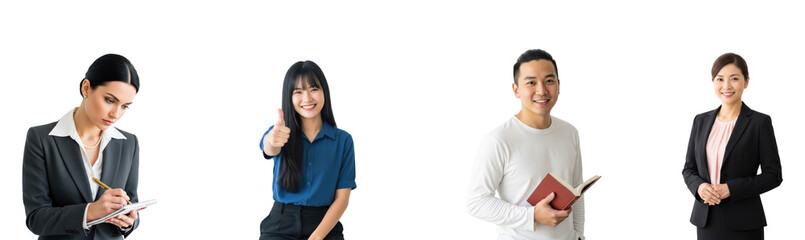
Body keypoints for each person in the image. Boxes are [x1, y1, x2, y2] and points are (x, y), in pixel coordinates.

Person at [467, 49, 585, 239]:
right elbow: (477, 202)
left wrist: (579, 235)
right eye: (531, 82)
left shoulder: (569, 132)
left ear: (559, 85)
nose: (542, 90)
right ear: (516, 90)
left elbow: (577, 191)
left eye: (549, 81)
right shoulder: (499, 140)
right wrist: (531, 216)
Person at [22, 54, 143, 240]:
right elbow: (36, 219)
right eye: (110, 100)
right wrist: (90, 212)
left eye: (125, 106)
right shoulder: (41, 139)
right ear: (86, 88)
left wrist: (129, 221)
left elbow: (131, 203)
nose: (116, 114)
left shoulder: (129, 143)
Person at [682, 53, 783, 239]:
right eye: (720, 79)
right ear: (713, 82)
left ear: (746, 82)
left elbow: (773, 175)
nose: (726, 86)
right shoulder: (700, 121)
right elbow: (689, 169)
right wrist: (699, 187)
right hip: (707, 220)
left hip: (744, 222)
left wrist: (731, 188)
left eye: (734, 78)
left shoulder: (759, 123)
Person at [259, 61, 356, 240]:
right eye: (298, 91)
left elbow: (342, 198)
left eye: (313, 89)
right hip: (280, 225)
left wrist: (317, 237)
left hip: (325, 225)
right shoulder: (279, 133)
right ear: (289, 97)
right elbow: (269, 148)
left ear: (324, 92)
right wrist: (271, 140)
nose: (307, 98)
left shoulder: (343, 141)